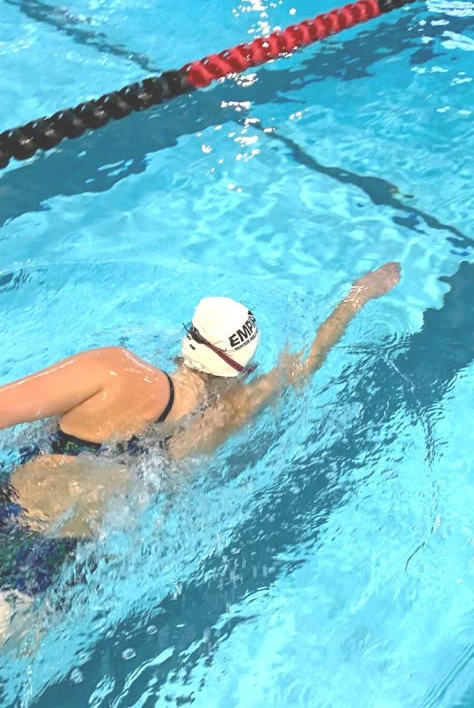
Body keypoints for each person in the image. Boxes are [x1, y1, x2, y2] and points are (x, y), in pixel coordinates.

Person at [0, 261, 400, 639]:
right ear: (243, 370)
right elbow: (307, 361)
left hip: (13, 510)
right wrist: (358, 296)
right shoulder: (228, 415)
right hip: (55, 569)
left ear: (188, 336)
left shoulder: (117, 372)